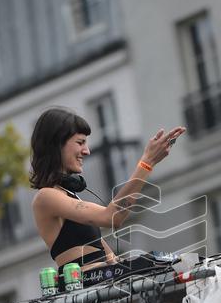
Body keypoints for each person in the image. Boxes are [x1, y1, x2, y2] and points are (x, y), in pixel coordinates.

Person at [30, 107, 184, 276]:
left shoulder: (69, 195)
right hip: (87, 296)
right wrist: (147, 163)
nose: (87, 151)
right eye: (80, 143)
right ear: (57, 144)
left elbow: (113, 261)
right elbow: (112, 217)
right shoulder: (46, 197)